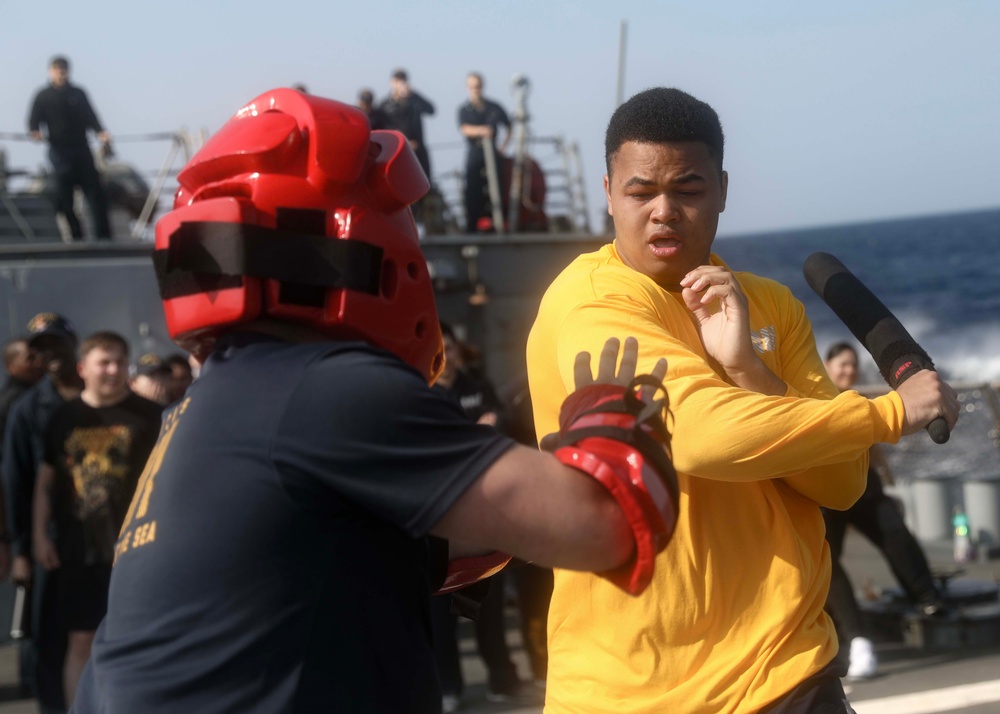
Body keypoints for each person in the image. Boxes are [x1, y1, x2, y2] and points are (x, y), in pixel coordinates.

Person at [70, 88, 679, 714]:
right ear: (360, 243)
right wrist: (611, 413)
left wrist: (509, 505)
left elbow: (335, 558)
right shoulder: (329, 387)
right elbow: (605, 524)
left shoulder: (203, 406)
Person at [525, 87, 960, 713]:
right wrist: (891, 412)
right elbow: (699, 436)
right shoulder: (592, 301)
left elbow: (839, 484)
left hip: (785, 670)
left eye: (689, 190)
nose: (664, 211)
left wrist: (747, 367)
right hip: (630, 690)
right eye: (641, 191)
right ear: (608, 192)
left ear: (723, 191)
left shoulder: (770, 306)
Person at [33, 331, 162, 707]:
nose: (113, 369)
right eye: (104, 362)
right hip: (80, 549)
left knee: (139, 639)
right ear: (82, 368)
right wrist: (40, 536)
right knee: (81, 640)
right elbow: (45, 483)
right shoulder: (64, 417)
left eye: (120, 361)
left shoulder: (150, 415)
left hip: (139, 546)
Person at [822, 341, 945, 681]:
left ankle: (929, 601)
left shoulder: (858, 400)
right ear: (828, 365)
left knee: (895, 533)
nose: (848, 371)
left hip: (864, 486)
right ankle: (858, 641)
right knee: (825, 560)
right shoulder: (813, 393)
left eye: (852, 366)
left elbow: (873, 449)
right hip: (826, 491)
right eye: (842, 365)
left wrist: (885, 481)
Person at [430, 323, 535, 712]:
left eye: (451, 346)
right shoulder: (419, 394)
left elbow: (499, 429)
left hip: (485, 517)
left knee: (486, 608)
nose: (448, 354)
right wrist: (475, 436)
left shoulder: (478, 386)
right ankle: (448, 687)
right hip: (441, 521)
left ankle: (503, 681)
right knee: (441, 618)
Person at [3, 313, 83, 714]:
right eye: (41, 349)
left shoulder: (102, 396)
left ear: (74, 345)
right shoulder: (28, 409)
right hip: (48, 540)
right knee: (47, 639)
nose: (50, 355)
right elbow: (15, 481)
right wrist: (20, 548)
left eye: (56, 344)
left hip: (102, 539)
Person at [28, 56, 113, 240]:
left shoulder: (78, 93)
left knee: (95, 195)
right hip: (59, 153)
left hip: (82, 150)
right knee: (65, 199)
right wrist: (34, 132)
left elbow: (91, 117)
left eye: (64, 69)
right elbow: (33, 121)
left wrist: (100, 132)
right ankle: (77, 236)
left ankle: (103, 237)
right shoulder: (43, 96)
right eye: (58, 69)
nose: (61, 73)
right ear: (51, 71)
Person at [458, 72, 510, 233]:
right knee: (472, 189)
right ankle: (472, 226)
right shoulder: (464, 109)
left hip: (493, 152)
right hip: (475, 152)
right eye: (472, 86)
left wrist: (503, 147)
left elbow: (509, 127)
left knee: (497, 187)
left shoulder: (494, 107)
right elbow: (464, 129)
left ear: (482, 86)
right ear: (468, 88)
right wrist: (482, 130)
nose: (475, 89)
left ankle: (499, 225)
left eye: (478, 86)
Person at [379, 69, 435, 179]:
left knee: (423, 180)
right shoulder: (385, 104)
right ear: (392, 82)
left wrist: (413, 95)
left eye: (403, 81)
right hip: (397, 150)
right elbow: (383, 126)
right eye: (397, 81)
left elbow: (431, 110)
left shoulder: (413, 100)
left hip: (418, 148)